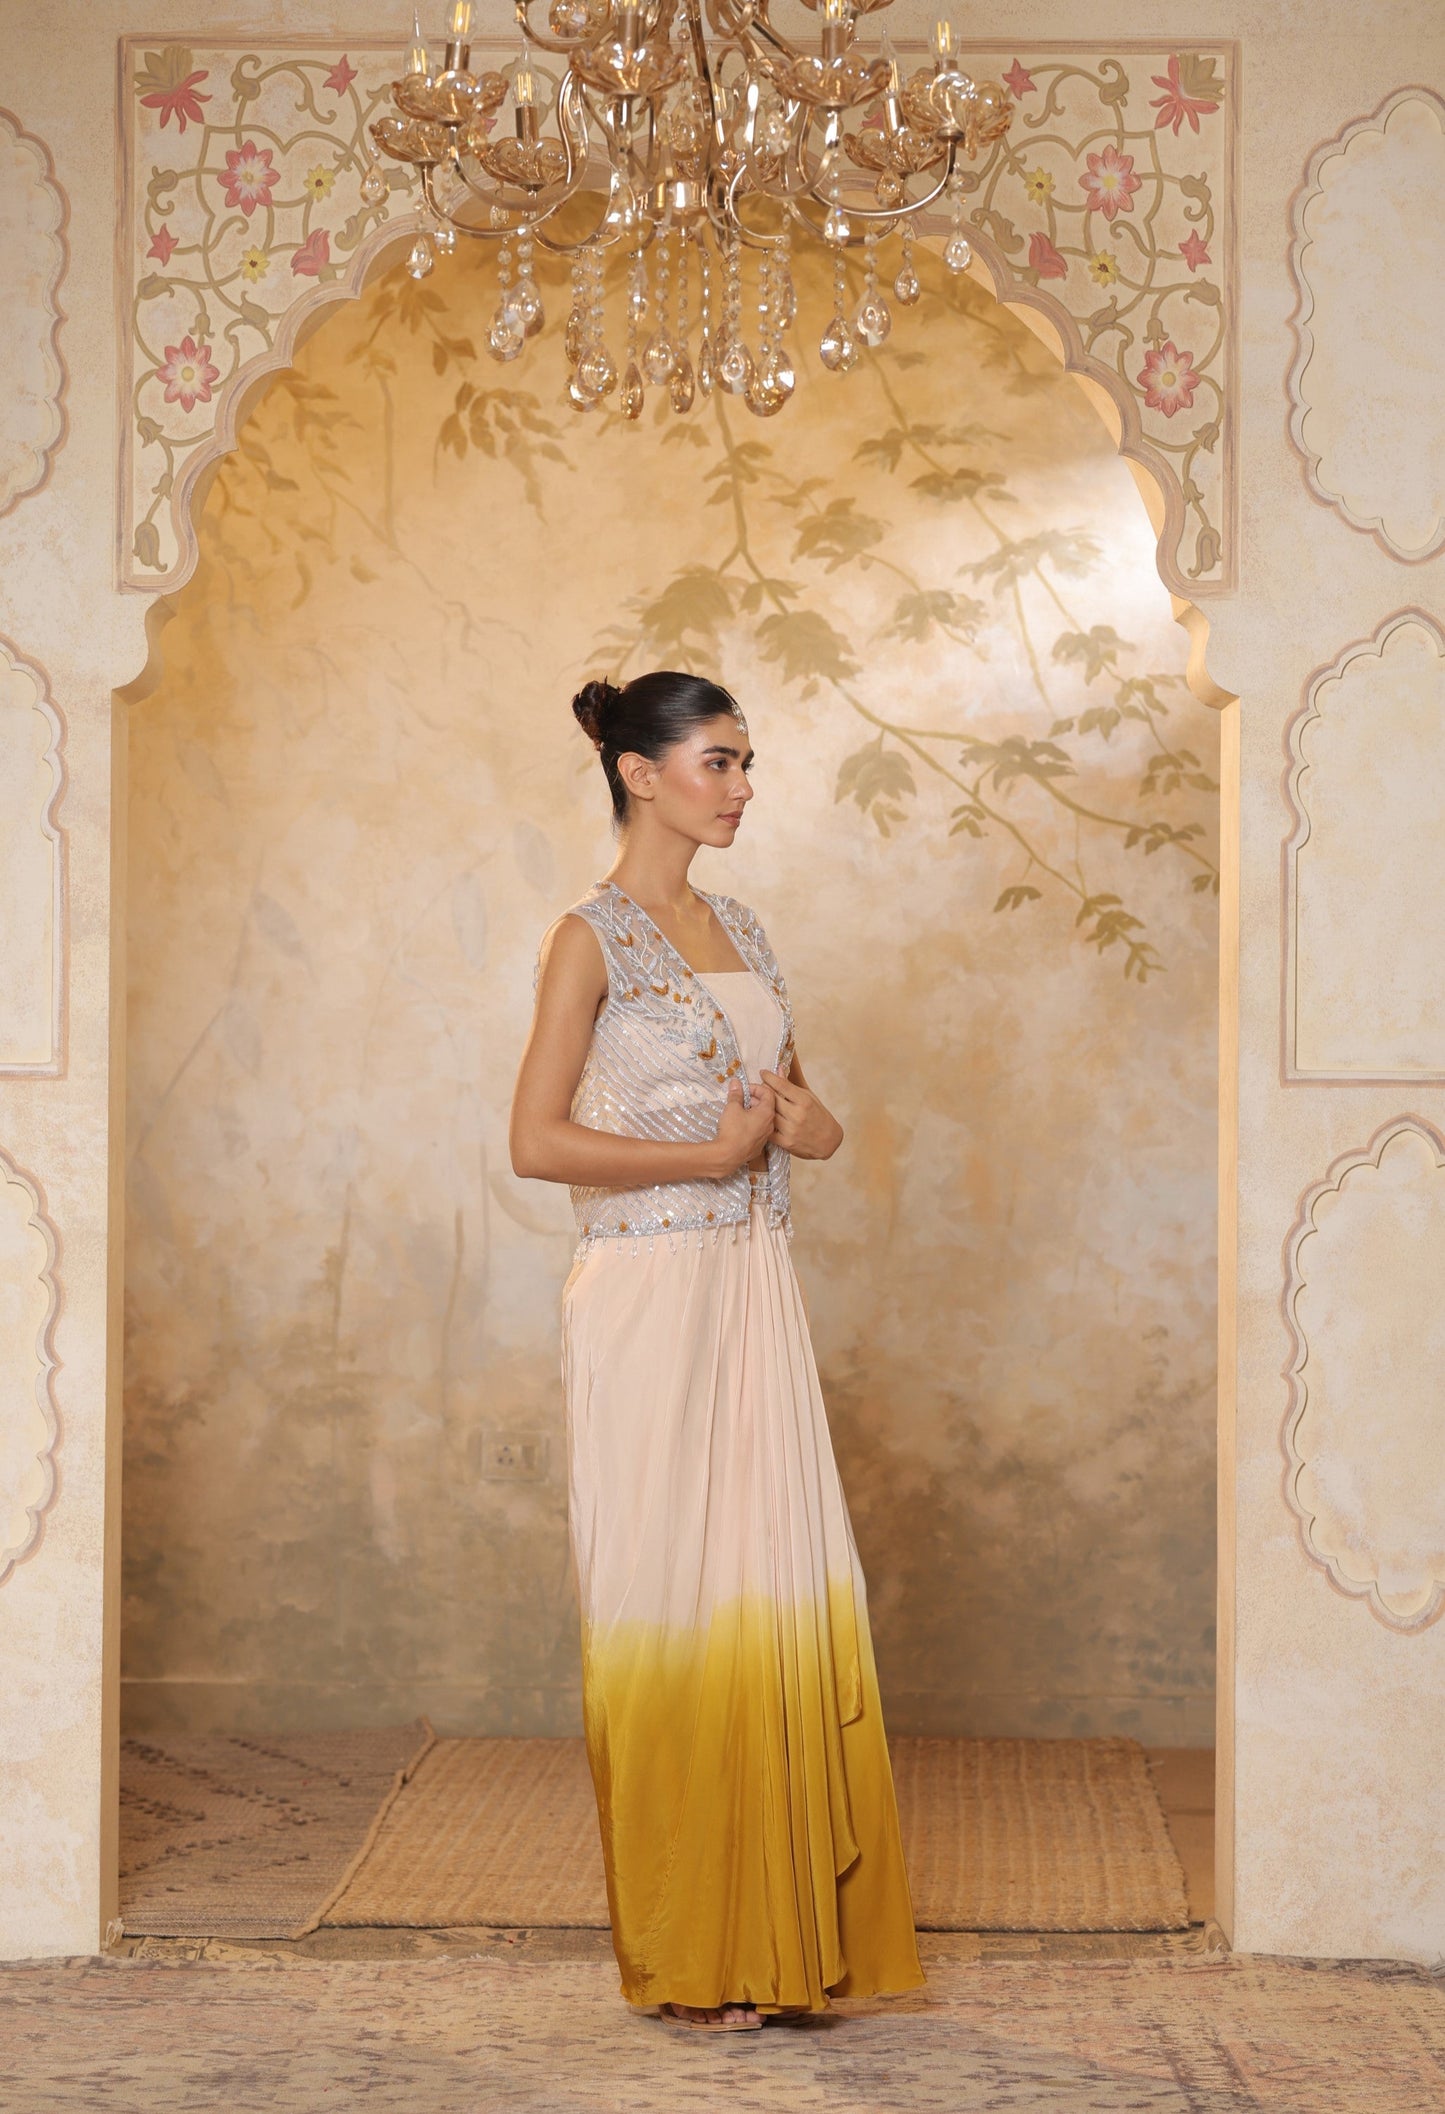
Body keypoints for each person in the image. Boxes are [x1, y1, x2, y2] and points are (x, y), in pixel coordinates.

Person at [509, 669, 923, 2031]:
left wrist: (812, 1132)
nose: (743, 785)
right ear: (641, 771)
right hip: (644, 1293)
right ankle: (696, 1949)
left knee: (773, 1582)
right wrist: (709, 1150)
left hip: (751, 1281)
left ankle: (783, 1943)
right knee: (667, 1599)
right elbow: (536, 1141)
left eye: (748, 762)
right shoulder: (587, 937)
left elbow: (803, 1110)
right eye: (720, 760)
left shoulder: (741, 925)